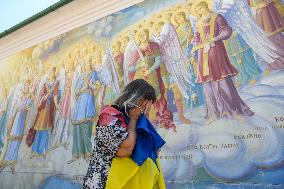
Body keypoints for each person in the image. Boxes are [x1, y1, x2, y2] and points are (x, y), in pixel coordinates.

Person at [83, 79, 166, 189]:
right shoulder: (109, 115)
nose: (147, 108)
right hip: (103, 181)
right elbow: (125, 150)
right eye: (145, 103)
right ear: (135, 98)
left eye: (149, 104)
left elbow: (153, 152)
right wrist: (132, 120)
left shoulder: (140, 121)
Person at [192, 1, 254, 124]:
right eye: (197, 9)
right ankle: (215, 114)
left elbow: (226, 31)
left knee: (223, 82)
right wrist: (195, 45)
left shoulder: (217, 17)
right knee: (208, 86)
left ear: (206, 5)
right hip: (203, 56)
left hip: (216, 52)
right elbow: (195, 38)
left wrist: (215, 38)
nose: (200, 10)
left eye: (201, 7)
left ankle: (234, 111)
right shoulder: (198, 23)